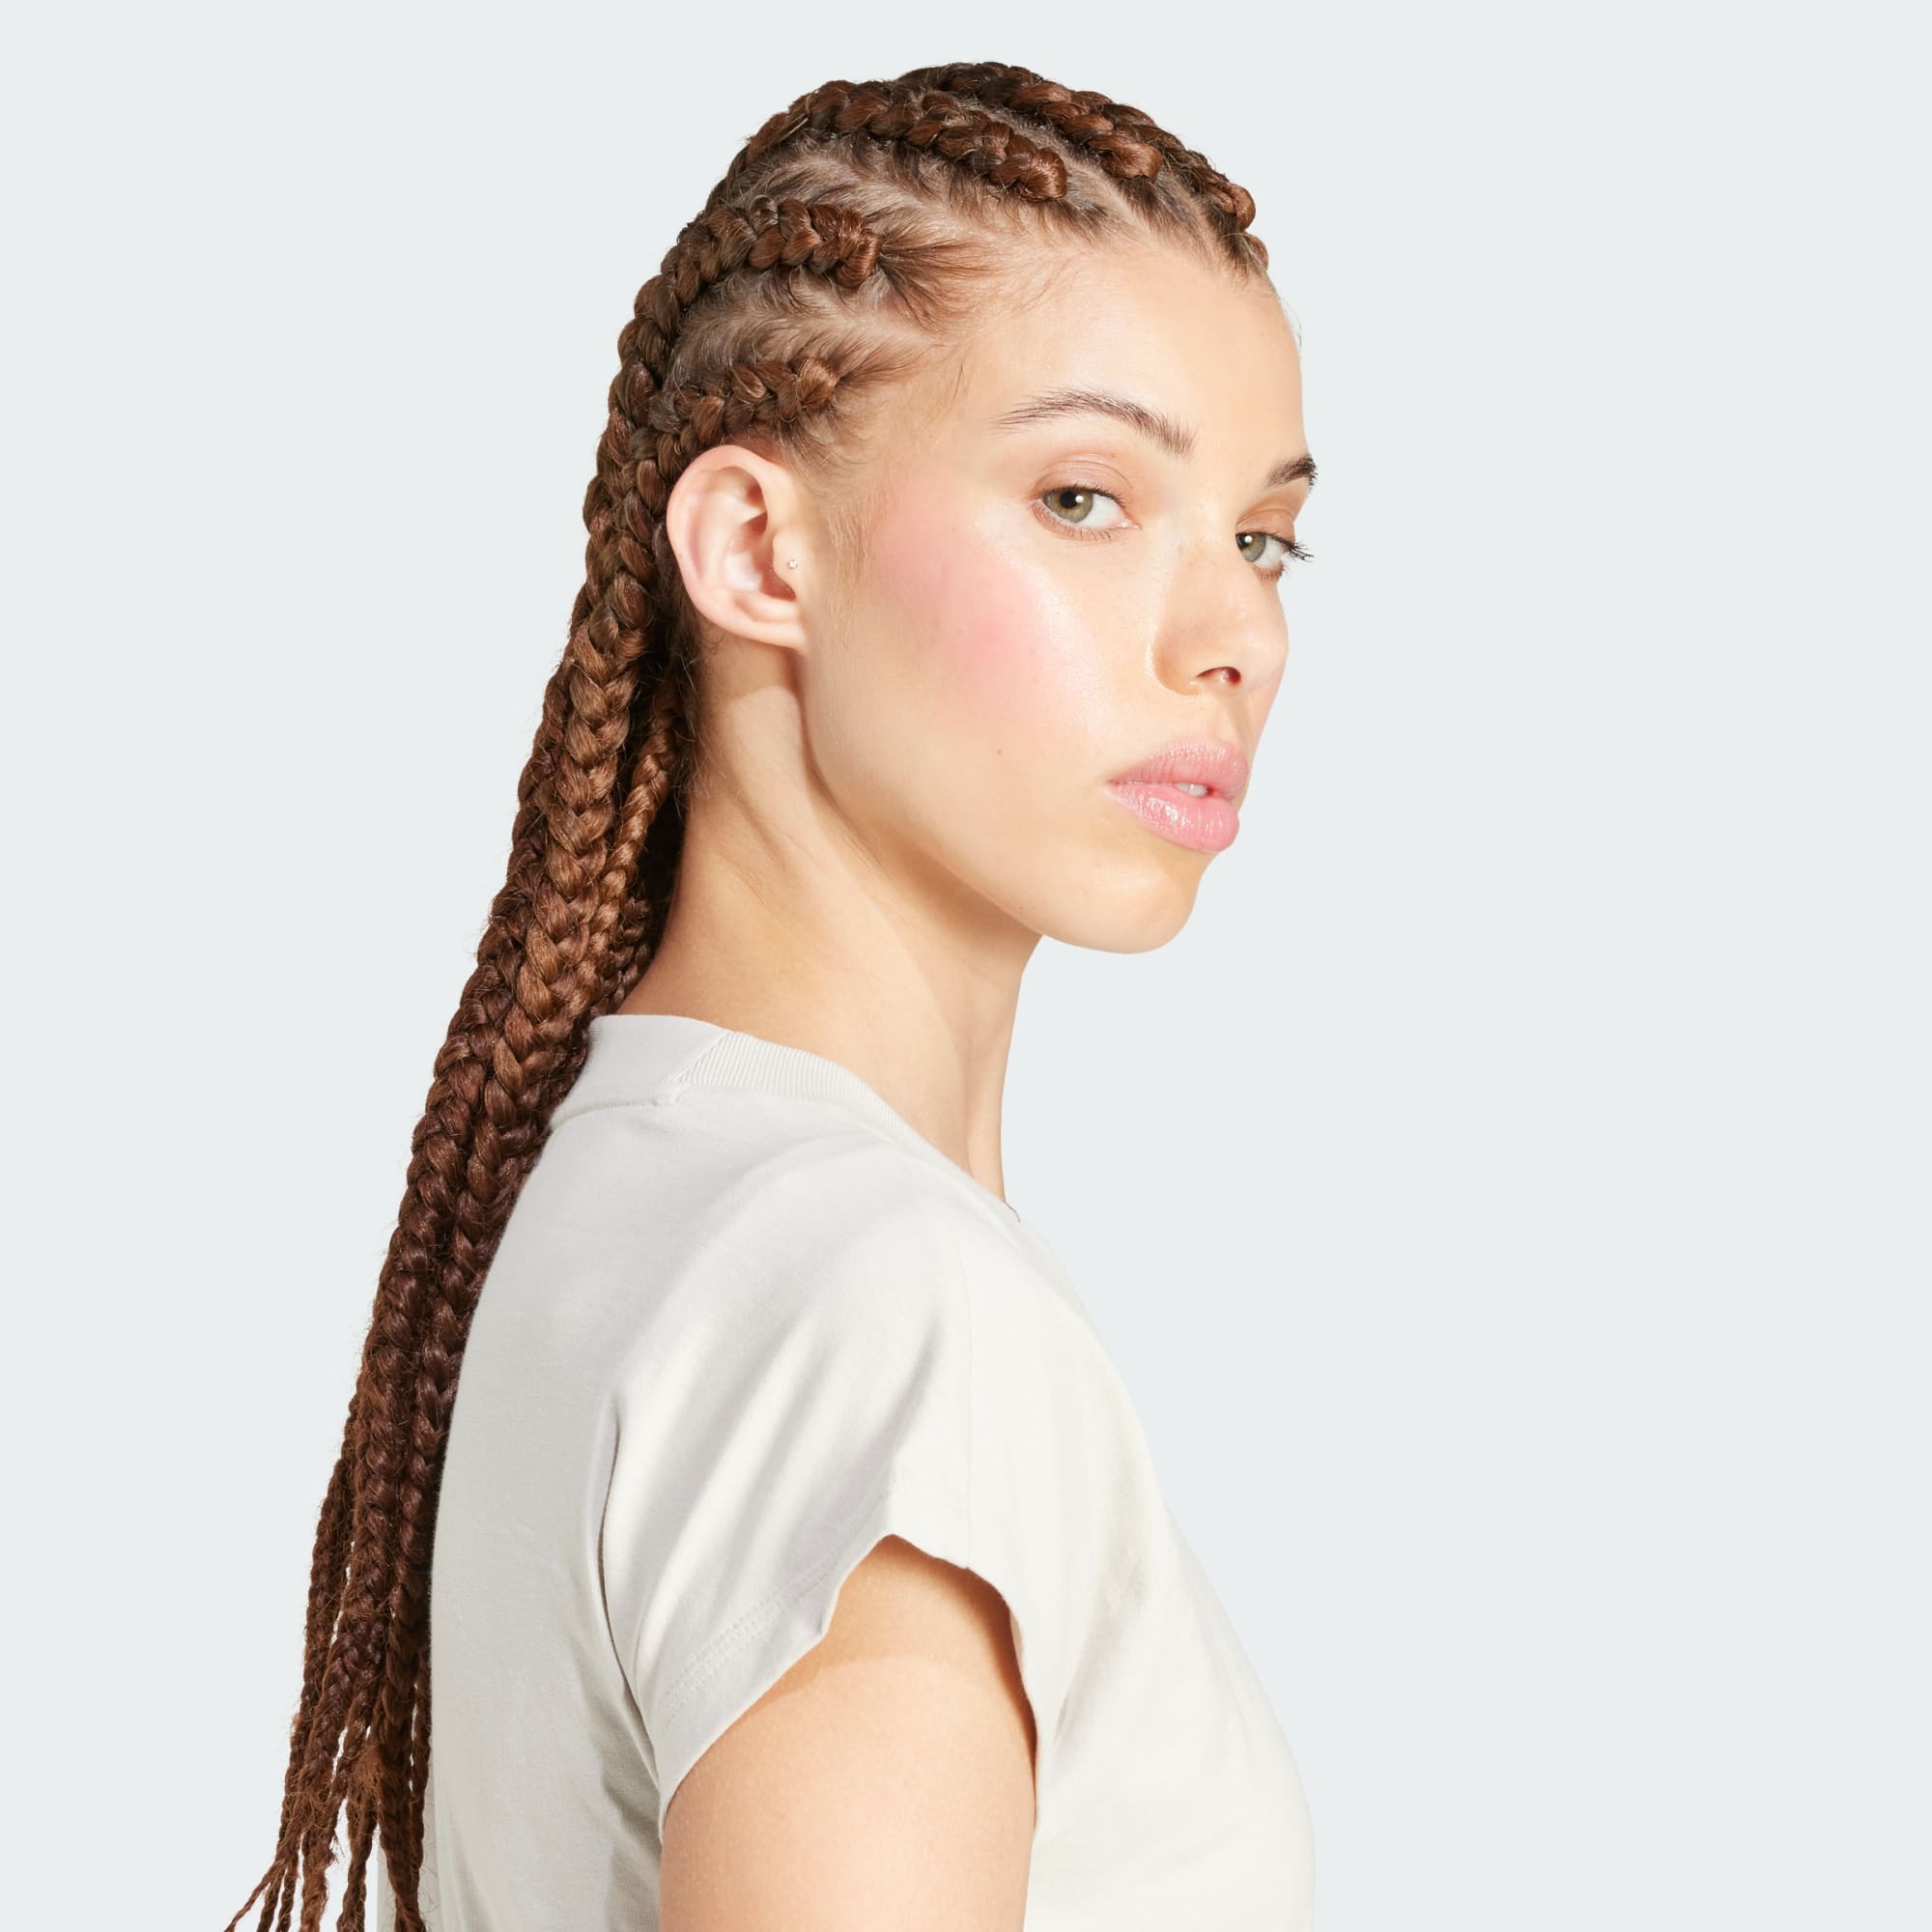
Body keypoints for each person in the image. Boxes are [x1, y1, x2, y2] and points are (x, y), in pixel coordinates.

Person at [222, 60, 1320, 1932]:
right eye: (1082, 497)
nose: (1236, 635)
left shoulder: (625, 1197)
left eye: (1262, 534)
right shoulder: (878, 1308)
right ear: (754, 548)